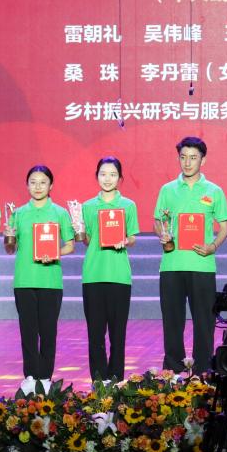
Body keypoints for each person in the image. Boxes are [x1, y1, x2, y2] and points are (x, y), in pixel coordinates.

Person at [154, 136, 227, 374]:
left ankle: (202, 369)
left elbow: (224, 227)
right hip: (172, 265)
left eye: (193, 158)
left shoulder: (214, 191)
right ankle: (174, 370)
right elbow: (158, 220)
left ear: (202, 160)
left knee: (204, 321)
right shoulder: (167, 190)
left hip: (202, 265)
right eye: (183, 157)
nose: (187, 163)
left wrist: (212, 246)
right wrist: (162, 233)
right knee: (172, 321)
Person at [4, 165, 74, 396]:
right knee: (28, 331)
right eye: (33, 182)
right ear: (27, 185)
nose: (37, 186)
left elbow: (70, 245)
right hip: (24, 281)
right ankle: (30, 376)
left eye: (43, 182)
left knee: (48, 331)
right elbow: (10, 249)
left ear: (51, 185)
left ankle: (45, 377)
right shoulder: (18, 214)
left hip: (50, 281)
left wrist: (55, 253)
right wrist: (8, 237)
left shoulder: (60, 213)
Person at [78, 157, 138, 383]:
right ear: (97, 176)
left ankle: (116, 380)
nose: (107, 179)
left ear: (120, 178)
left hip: (119, 276)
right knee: (95, 335)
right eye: (103, 174)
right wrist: (79, 230)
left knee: (117, 334)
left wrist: (125, 240)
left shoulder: (128, 205)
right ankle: (98, 381)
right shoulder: (87, 207)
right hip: (93, 275)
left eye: (113, 174)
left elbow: (132, 237)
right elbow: (87, 240)